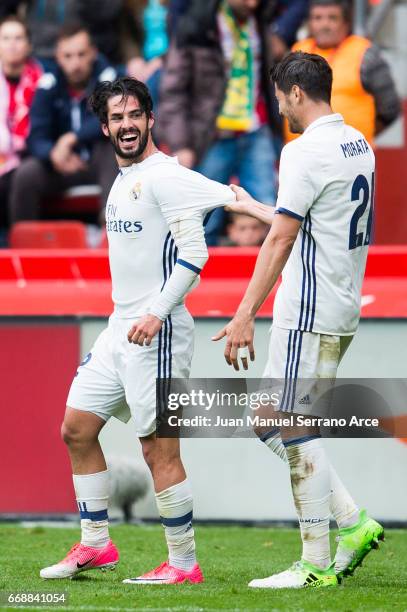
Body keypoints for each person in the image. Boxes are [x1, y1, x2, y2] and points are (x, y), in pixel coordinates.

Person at [39, 76, 235, 583]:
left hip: (159, 330)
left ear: (150, 119)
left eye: (134, 115)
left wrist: (156, 313)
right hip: (118, 329)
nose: (126, 125)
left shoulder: (164, 175)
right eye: (116, 118)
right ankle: (97, 544)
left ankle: (184, 565)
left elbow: (196, 254)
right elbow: (224, 194)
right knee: (76, 429)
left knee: (159, 450)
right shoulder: (125, 178)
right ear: (105, 128)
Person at [213, 51, 384, 589]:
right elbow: (314, 218)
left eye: (280, 96)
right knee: (269, 420)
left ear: (293, 92)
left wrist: (244, 314)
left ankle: (314, 562)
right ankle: (353, 522)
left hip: (308, 309)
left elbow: (284, 238)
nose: (280, 106)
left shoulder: (302, 151)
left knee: (291, 424)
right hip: (339, 304)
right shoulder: (358, 144)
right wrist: (256, 206)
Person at [158, 0, 308, 245]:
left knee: (271, 215)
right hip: (212, 137)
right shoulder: (197, 26)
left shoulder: (259, 22)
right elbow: (172, 91)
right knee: (206, 220)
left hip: (256, 131)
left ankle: (272, 282)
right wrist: (181, 144)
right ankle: (203, 282)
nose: (252, 3)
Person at [8, 23, 118, 225]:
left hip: (100, 165)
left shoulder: (111, 79)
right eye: (68, 56)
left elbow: (114, 118)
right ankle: (23, 245)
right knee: (26, 173)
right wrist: (52, 154)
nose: (75, 63)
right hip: (61, 165)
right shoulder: (48, 83)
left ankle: (112, 228)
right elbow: (36, 135)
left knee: (113, 148)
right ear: (58, 57)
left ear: (93, 53)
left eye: (81, 54)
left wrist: (72, 138)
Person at [285, 0, 400, 144]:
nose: (324, 25)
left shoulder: (364, 53)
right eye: (317, 18)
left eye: (332, 18)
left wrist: (359, 137)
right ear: (309, 24)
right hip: (303, 158)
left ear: (346, 23)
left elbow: (390, 108)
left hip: (352, 160)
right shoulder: (296, 52)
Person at [0, 15, 42, 234]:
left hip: (31, 153)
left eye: (18, 38)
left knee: (22, 177)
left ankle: (19, 245)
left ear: (28, 45)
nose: (12, 44)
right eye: (6, 38)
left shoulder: (43, 80)